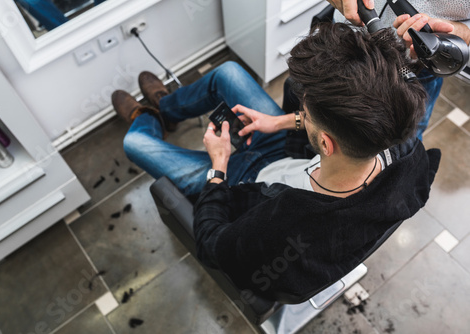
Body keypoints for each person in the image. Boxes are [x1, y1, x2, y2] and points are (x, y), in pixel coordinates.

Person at [112, 23, 440, 300]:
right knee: (226, 73)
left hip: (241, 183)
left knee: (135, 142)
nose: (300, 111)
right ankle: (168, 106)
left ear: (326, 142)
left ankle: (148, 116)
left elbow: (212, 246)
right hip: (291, 154)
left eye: (306, 113)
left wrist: (218, 167)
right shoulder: (403, 147)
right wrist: (282, 123)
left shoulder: (284, 230)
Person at [328, 0, 470, 139]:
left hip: (417, 66)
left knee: (405, 136)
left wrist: (461, 32)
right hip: (345, 36)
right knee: (329, 116)